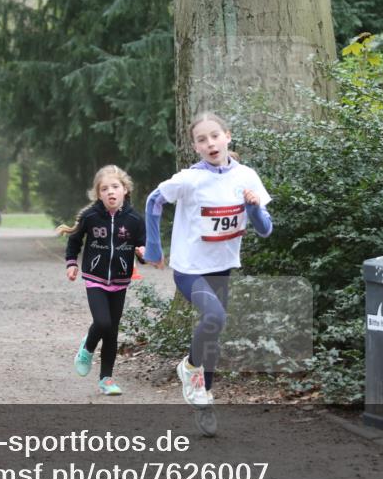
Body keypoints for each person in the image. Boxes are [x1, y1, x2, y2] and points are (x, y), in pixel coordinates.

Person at [144, 112, 273, 435]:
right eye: (202, 139)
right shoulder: (189, 179)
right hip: (189, 270)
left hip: (222, 268)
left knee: (212, 340)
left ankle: (203, 396)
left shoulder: (246, 176)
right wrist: (155, 249)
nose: (210, 143)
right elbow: (153, 201)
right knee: (215, 317)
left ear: (227, 136)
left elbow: (265, 230)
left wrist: (254, 208)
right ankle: (188, 368)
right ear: (195, 147)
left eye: (215, 136)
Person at [57, 165, 146, 396]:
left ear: (125, 189)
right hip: (95, 277)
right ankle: (87, 348)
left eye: (115, 187)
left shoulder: (135, 219)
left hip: (120, 280)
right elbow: (74, 241)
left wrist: (143, 254)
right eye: (104, 189)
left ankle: (106, 379)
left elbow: (143, 245)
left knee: (112, 331)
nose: (110, 192)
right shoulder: (90, 216)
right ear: (98, 194)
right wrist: (71, 263)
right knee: (103, 323)